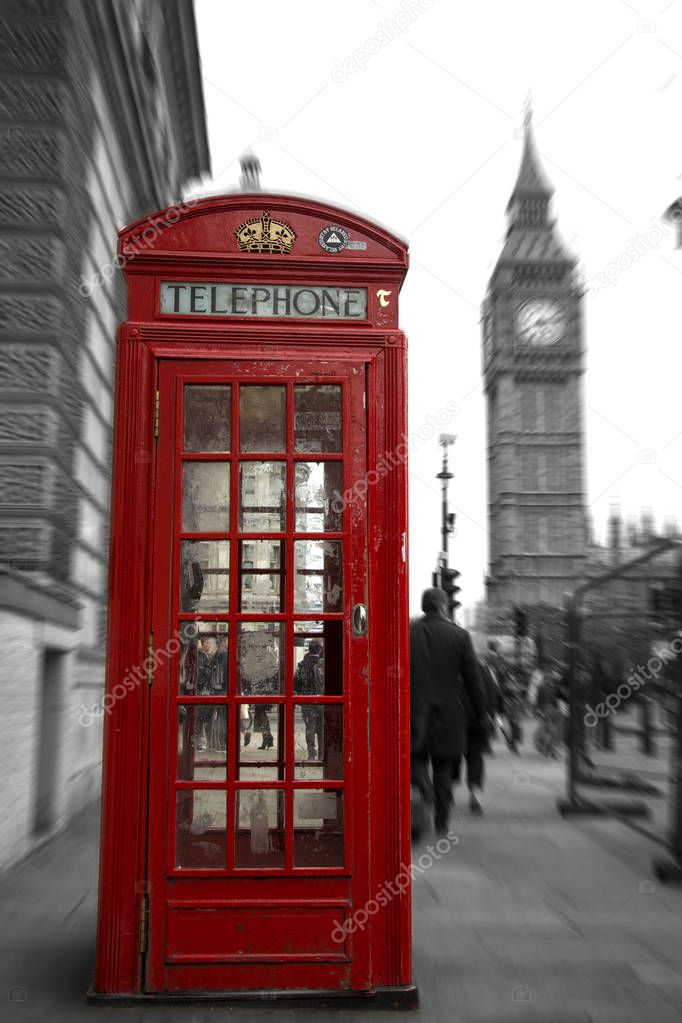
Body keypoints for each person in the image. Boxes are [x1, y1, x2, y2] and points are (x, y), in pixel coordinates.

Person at [410, 588, 485, 835]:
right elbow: (473, 680)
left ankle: (424, 797)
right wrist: (481, 712)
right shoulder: (460, 636)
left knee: (416, 762)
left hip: (414, 712)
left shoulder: (409, 633)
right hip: (450, 714)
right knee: (443, 769)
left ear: (423, 606)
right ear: (443, 606)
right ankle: (441, 822)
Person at [452, 656, 499, 814]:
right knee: (475, 758)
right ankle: (475, 795)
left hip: (455, 721)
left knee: (452, 756)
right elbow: (493, 694)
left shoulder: (453, 668)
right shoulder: (484, 670)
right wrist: (489, 716)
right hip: (478, 722)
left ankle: (448, 792)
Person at [294, 639, 324, 759]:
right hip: (322, 701)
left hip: (307, 701)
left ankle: (311, 753)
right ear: (320, 650)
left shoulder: (302, 665)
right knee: (322, 728)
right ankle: (322, 754)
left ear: (309, 650)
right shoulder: (324, 665)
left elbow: (295, 683)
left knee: (310, 728)